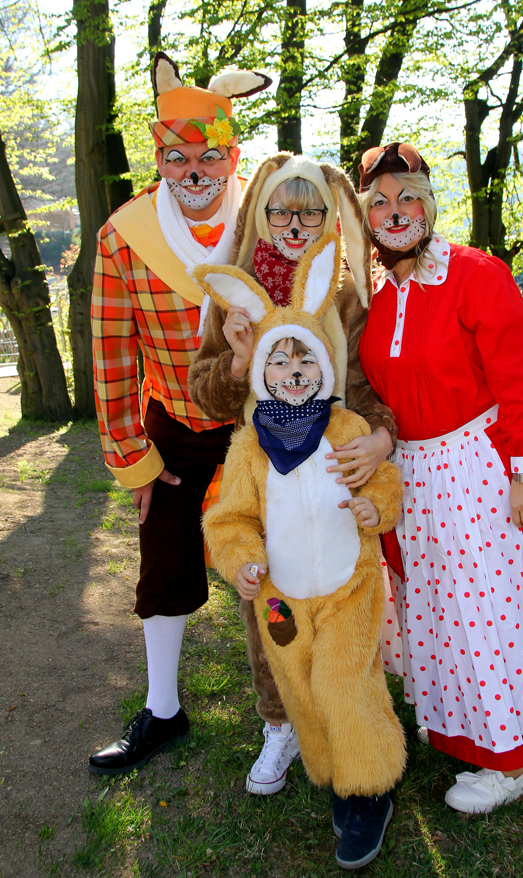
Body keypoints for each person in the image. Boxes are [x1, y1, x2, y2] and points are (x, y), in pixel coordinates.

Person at [345, 141, 523, 814]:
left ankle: (512, 759)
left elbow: (521, 377)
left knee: (490, 610)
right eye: (380, 202)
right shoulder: (371, 292)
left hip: (477, 467)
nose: (395, 211)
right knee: (437, 609)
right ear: (364, 215)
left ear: (429, 205)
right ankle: (463, 725)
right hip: (414, 473)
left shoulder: (474, 274)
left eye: (408, 198)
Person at [188, 154, 397, 795]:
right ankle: (280, 721)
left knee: (342, 594)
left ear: (329, 218)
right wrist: (235, 363)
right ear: (261, 215)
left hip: (330, 465)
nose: (296, 226)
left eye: (312, 213)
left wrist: (381, 437)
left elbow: (367, 387)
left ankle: (352, 710)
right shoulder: (236, 295)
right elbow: (204, 395)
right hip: (264, 469)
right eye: (282, 212)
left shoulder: (345, 293)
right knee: (267, 601)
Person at [87, 52, 271, 776]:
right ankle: (162, 709)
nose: (194, 172)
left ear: (233, 157)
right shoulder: (123, 234)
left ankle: (292, 706)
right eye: (177, 157)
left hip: (263, 420)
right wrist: (133, 459)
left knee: (279, 559)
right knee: (163, 560)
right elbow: (111, 353)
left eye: (210, 156)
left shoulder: (268, 217)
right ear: (159, 159)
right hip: (174, 419)